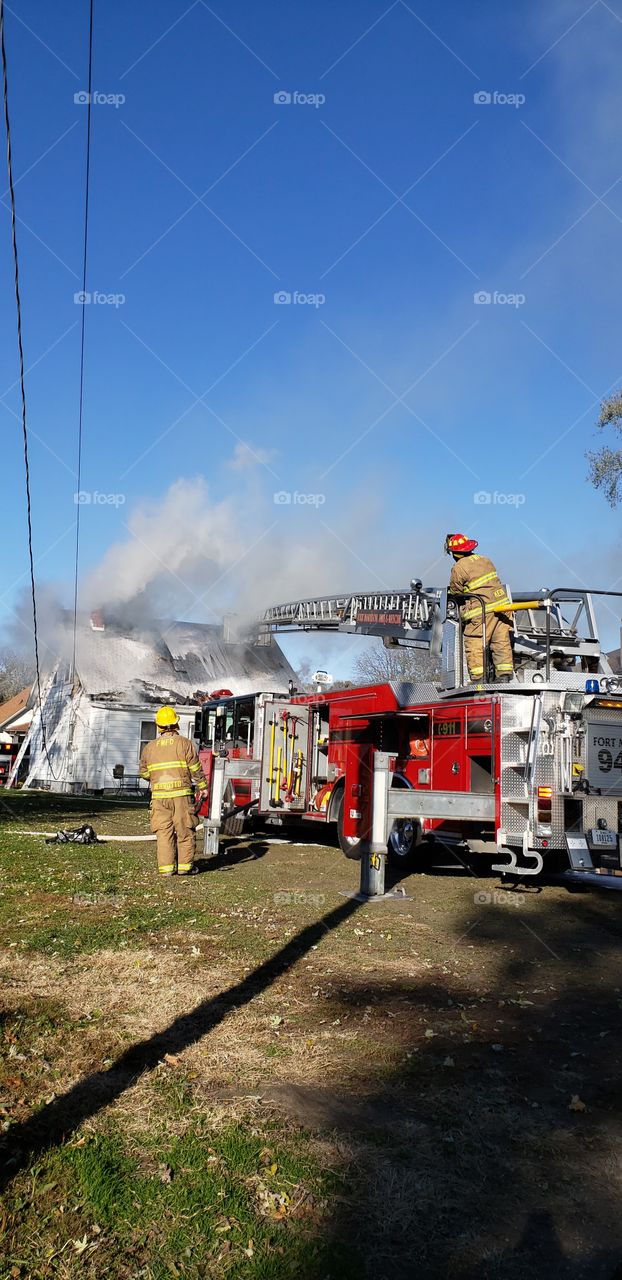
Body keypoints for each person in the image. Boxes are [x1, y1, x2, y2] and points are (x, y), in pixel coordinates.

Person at [139, 705, 209, 875]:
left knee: (163, 833)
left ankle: (166, 869)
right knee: (185, 830)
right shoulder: (185, 744)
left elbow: (144, 773)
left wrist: (158, 778)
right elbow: (195, 769)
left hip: (159, 799)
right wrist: (203, 787)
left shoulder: (149, 747)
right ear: (176, 723)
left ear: (159, 726)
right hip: (181, 797)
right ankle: (185, 868)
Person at [445, 533, 514, 683]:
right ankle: (504, 675)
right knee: (500, 640)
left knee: (474, 641)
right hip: (503, 606)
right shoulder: (485, 559)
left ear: (455, 553)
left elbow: (456, 590)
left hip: (482, 610)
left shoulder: (459, 567)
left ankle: (478, 678)